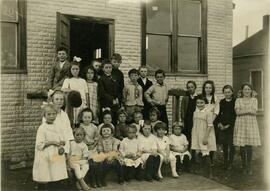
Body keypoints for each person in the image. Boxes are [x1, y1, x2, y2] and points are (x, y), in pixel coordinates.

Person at [33, 103, 68, 190]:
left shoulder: (57, 126)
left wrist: (62, 142)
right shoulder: (42, 128)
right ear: (44, 115)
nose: (52, 116)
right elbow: (39, 144)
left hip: (55, 153)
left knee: (56, 174)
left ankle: (55, 187)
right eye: (49, 114)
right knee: (46, 174)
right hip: (46, 154)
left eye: (54, 114)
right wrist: (52, 142)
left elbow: (61, 137)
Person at [233, 83, 261, 175]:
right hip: (241, 123)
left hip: (251, 123)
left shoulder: (254, 100)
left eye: (249, 89)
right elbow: (237, 113)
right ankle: (243, 165)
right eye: (245, 89)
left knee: (249, 145)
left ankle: (249, 166)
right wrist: (248, 110)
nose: (247, 91)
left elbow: (254, 112)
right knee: (242, 145)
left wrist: (244, 111)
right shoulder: (238, 100)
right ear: (242, 91)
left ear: (251, 91)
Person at [191, 94, 216, 178]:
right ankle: (202, 170)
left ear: (205, 103)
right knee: (199, 152)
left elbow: (210, 125)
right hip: (197, 134)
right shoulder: (195, 112)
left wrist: (205, 137)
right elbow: (195, 125)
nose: (199, 104)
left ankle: (210, 173)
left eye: (201, 103)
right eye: (198, 103)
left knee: (205, 152)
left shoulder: (208, 113)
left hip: (205, 134)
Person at [44, 90, 74, 154]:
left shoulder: (65, 115)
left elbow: (68, 130)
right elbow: (46, 130)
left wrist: (70, 144)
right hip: (53, 143)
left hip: (64, 142)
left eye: (61, 99)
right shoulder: (49, 114)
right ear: (53, 100)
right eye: (57, 99)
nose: (59, 101)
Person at [61, 58, 88, 125]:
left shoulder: (83, 81)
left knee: (80, 119)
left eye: (77, 69)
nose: (75, 71)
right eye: (73, 69)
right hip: (72, 103)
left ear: (79, 70)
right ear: (70, 70)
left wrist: (87, 104)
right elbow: (63, 90)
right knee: (72, 119)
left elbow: (86, 93)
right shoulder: (68, 80)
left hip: (82, 103)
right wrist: (73, 91)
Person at [77, 108, 99, 187]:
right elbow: (78, 139)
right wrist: (85, 147)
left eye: (89, 117)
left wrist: (93, 146)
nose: (87, 119)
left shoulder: (94, 127)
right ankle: (90, 180)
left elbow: (96, 139)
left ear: (92, 118)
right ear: (82, 118)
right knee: (88, 163)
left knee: (95, 163)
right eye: (85, 117)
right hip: (83, 147)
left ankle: (96, 180)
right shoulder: (80, 127)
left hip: (92, 147)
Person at [216, 85, 236, 170]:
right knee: (224, 145)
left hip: (231, 126)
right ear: (223, 93)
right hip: (222, 126)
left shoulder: (235, 101)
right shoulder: (221, 102)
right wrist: (219, 123)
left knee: (231, 145)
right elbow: (218, 113)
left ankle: (230, 162)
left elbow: (235, 115)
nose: (227, 94)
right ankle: (225, 162)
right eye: (225, 92)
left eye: (229, 92)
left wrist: (228, 125)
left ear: (232, 92)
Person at [201, 80, 219, 166]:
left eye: (210, 88)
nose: (208, 89)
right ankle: (203, 159)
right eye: (206, 87)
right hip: (202, 121)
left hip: (211, 122)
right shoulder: (201, 97)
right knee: (202, 139)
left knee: (210, 140)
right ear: (204, 88)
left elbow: (216, 111)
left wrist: (211, 121)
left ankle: (211, 160)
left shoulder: (215, 98)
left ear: (212, 89)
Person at [98, 59, 120, 125]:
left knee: (114, 119)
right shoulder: (101, 79)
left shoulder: (115, 77)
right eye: (106, 67)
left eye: (110, 67)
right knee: (107, 119)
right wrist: (111, 99)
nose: (108, 69)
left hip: (115, 103)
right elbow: (102, 92)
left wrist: (117, 98)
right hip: (106, 102)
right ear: (103, 69)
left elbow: (118, 89)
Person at [180, 81, 198, 162]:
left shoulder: (198, 97)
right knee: (188, 138)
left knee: (195, 138)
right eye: (189, 87)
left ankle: (194, 157)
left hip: (196, 121)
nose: (190, 89)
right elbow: (182, 110)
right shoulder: (185, 98)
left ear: (195, 87)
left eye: (192, 87)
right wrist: (183, 120)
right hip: (188, 121)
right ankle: (187, 157)